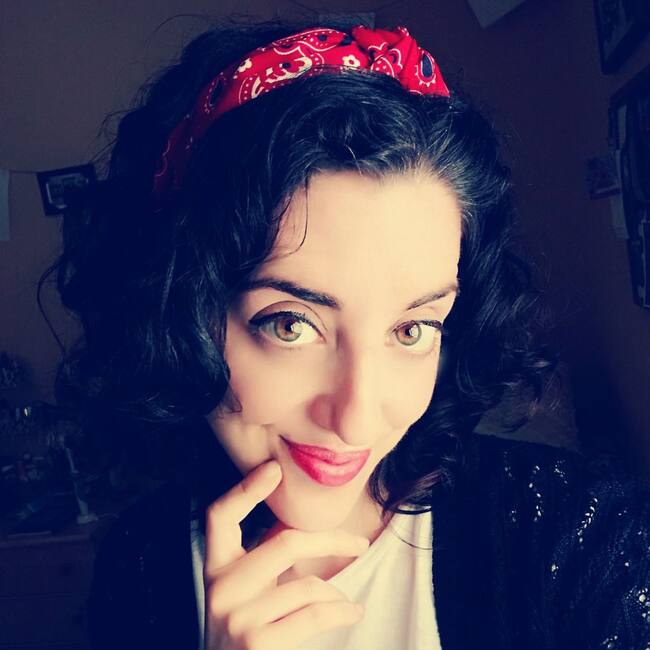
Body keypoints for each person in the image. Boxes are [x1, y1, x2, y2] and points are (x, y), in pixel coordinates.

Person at [47, 18, 650, 650]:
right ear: (180, 312)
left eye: (412, 329)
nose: (357, 420)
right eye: (290, 324)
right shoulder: (139, 568)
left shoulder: (587, 541)